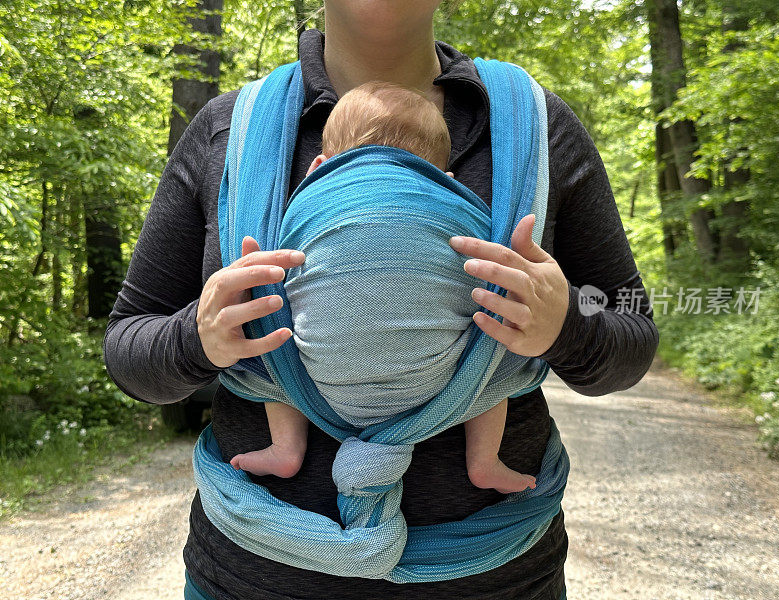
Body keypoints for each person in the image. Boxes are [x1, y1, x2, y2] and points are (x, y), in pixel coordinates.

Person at [103, 4, 659, 598]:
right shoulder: (227, 132)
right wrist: (198, 336)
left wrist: (566, 325)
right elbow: (129, 351)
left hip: (499, 580)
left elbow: (630, 336)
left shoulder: (533, 127)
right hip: (252, 580)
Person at [228, 80, 538, 495]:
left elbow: (280, 272)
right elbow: (491, 270)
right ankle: (483, 460)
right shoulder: (458, 204)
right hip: (440, 382)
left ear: (317, 167)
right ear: (444, 179)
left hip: (321, 379)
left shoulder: (303, 204)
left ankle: (286, 446)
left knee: (268, 327)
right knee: (495, 340)